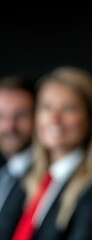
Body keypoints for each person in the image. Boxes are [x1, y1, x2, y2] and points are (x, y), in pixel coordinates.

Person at [11, 66, 92, 240]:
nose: (54, 119)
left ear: (90, 119)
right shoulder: (32, 182)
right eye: (47, 107)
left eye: (69, 108)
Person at [0, 75, 36, 239]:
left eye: (20, 115)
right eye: (1, 116)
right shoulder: (5, 174)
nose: (9, 126)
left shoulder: (44, 179)